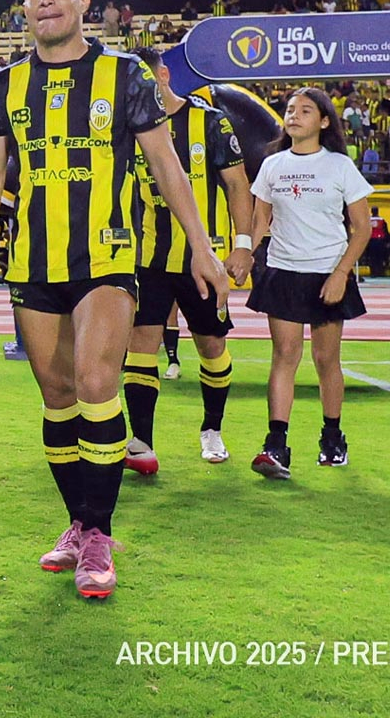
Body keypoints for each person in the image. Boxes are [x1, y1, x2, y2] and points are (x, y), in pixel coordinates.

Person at [0, 0, 227, 600]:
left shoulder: (126, 74)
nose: (45, 0)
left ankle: (101, 536)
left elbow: (166, 165)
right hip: (33, 261)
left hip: (107, 256)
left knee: (97, 382)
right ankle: (79, 523)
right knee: (57, 397)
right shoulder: (4, 84)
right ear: (24, 9)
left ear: (83, 2)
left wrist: (201, 246)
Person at [124, 49, 255, 472]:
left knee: (211, 345)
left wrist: (242, 245)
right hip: (148, 256)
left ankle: (212, 428)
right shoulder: (129, 127)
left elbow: (237, 185)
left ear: (164, 75)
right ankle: (141, 441)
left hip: (204, 258)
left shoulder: (209, 121)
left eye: (148, 79)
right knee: (140, 344)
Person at [245, 88, 372, 478]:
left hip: (327, 272)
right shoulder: (272, 165)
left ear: (324, 121)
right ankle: (276, 445)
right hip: (283, 271)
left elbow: (362, 228)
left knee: (325, 359)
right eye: (290, 110)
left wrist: (340, 274)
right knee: (284, 355)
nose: (294, 116)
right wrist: (243, 252)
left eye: (305, 111)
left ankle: (332, 438)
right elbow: (259, 220)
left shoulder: (339, 166)